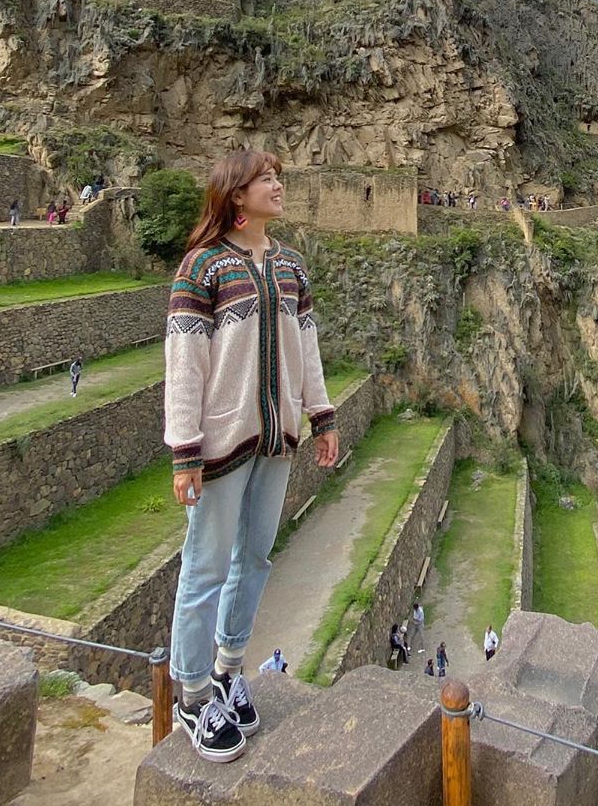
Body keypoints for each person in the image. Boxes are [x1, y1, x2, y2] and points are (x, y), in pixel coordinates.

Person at [165, 149, 339, 764]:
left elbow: (307, 347)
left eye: (279, 177)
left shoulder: (290, 266)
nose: (279, 185)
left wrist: (320, 414)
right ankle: (190, 694)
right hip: (221, 442)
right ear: (236, 195)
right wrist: (185, 451)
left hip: (275, 438)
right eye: (267, 178)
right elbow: (186, 367)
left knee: (257, 556)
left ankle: (228, 667)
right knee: (205, 567)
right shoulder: (203, 269)